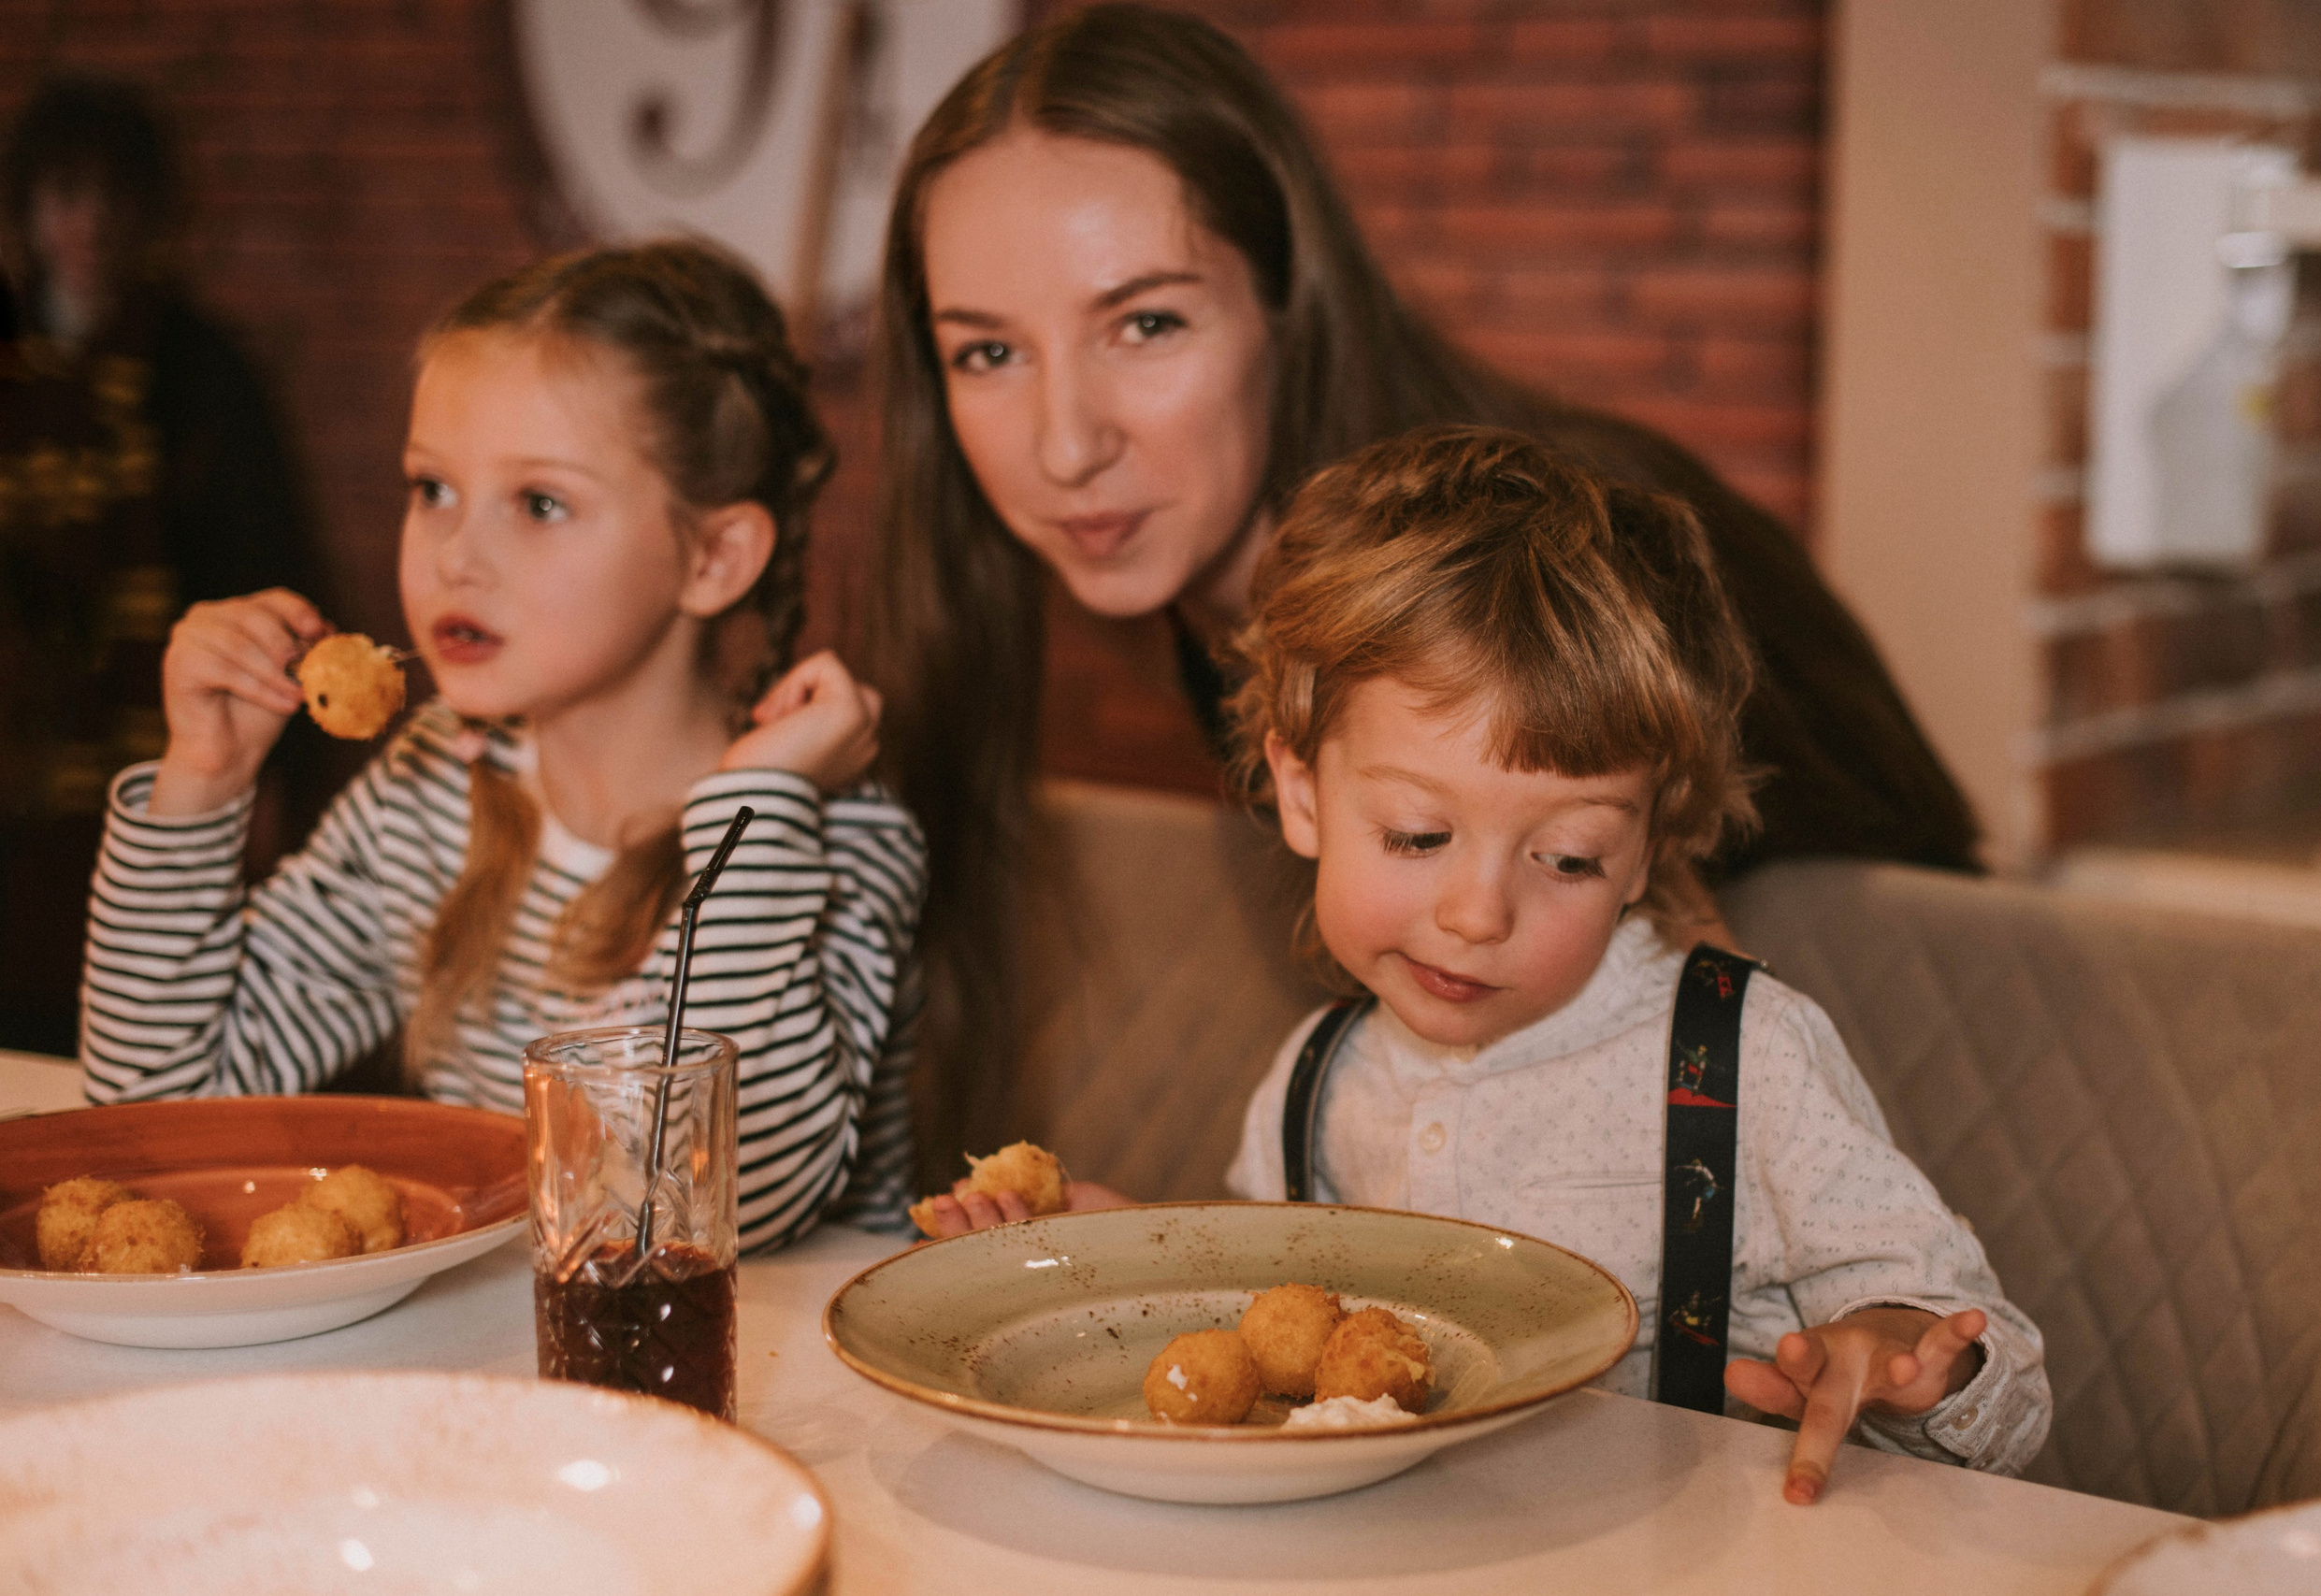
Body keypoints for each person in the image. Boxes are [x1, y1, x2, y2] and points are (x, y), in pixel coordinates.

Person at [863, 4, 1982, 1181]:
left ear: (1287, 304)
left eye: (1145, 323)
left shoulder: (1509, 574)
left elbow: (1668, 1074)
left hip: (1875, 1082)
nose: (1065, 444)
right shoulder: (1211, 592)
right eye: (987, 352)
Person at [924, 427, 2050, 1500]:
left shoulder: (1741, 1058)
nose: (1475, 913)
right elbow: (1270, 1329)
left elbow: (2001, 1384)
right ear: (1303, 791)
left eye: (1565, 857)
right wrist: (1120, 1244)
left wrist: (1905, 1359)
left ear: (1645, 849)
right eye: (1418, 835)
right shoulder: (1318, 1073)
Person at [79, 240, 928, 1246]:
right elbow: (160, 1111)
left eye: (539, 503)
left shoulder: (827, 834)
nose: (453, 556)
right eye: (431, 488)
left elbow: (713, 1207)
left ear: (713, 557)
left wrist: (761, 805)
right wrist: (201, 785)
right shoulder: (432, 789)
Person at [0, 76, 320, 1056]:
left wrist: (274, 772)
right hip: (19, 735)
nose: (88, 223)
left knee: (122, 997)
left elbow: (265, 559)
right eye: (65, 195)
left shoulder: (199, 366)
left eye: (112, 197)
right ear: (28, 209)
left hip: (161, 727)